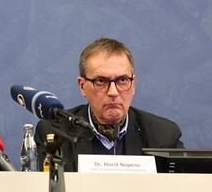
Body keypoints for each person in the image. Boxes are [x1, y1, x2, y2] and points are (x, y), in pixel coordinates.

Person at [34, 37, 183, 171]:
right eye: (101, 81)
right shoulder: (53, 133)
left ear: (133, 84)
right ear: (82, 86)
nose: (113, 92)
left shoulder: (163, 135)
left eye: (122, 80)